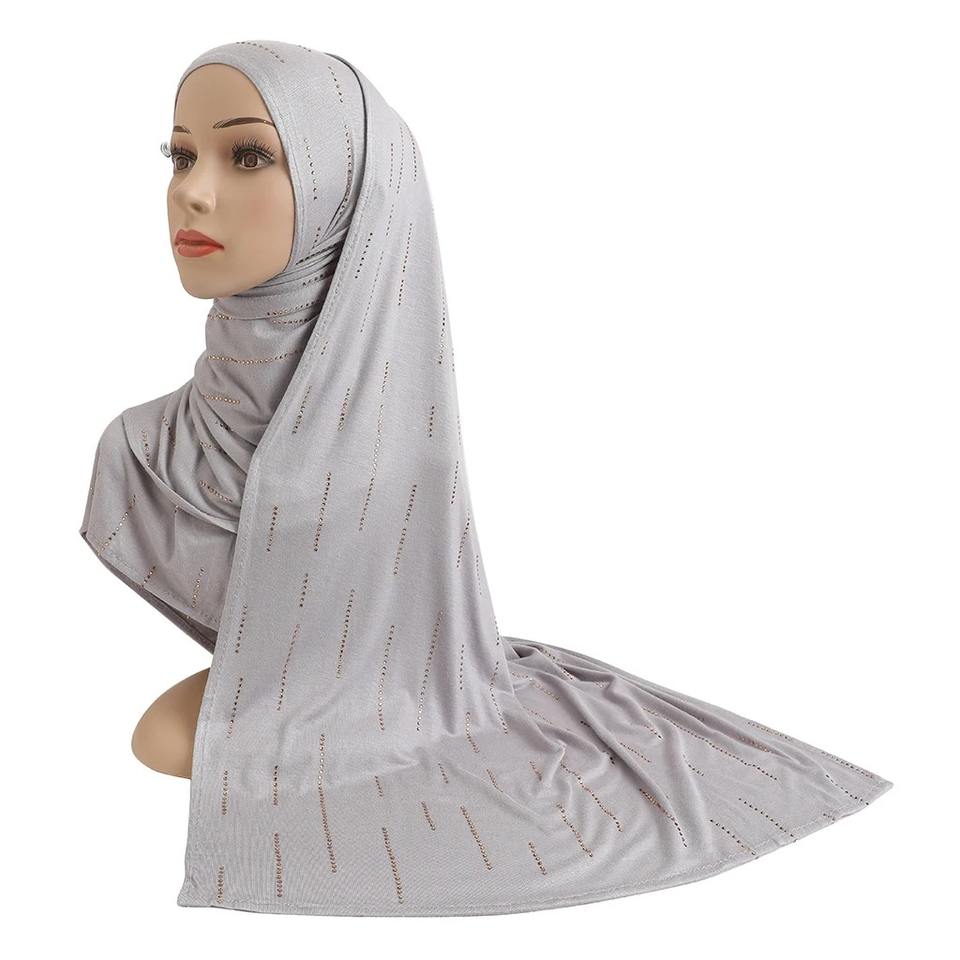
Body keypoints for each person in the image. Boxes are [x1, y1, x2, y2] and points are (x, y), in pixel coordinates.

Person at [79, 40, 892, 917]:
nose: (193, 192)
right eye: (180, 155)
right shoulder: (139, 455)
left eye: (248, 155)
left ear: (343, 189)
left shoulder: (391, 462)